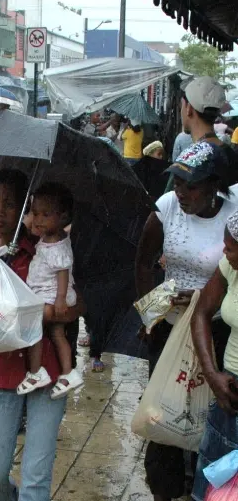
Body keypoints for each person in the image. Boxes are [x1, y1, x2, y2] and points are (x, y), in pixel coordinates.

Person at [0, 169, 83, 500]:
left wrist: (46, 310)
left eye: (10, 204)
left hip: (46, 371)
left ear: (25, 208)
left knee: (36, 479)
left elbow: (73, 306)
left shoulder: (46, 248)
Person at [135, 142, 237, 501]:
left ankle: (205, 488)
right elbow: (144, 263)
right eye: (176, 182)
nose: (179, 191)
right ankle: (164, 491)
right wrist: (150, 313)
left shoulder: (235, 214)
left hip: (217, 332)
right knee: (163, 414)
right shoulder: (166, 210)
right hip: (169, 330)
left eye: (189, 185)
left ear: (214, 186)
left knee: (210, 414)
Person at [18, 183, 84, 399]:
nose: (38, 220)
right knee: (57, 333)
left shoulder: (56, 243)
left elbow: (63, 272)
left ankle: (36, 371)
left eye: (45, 215)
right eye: (35, 213)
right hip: (48, 295)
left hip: (52, 296)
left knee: (34, 329)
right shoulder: (48, 238)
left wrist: (60, 298)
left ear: (63, 217)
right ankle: (68, 373)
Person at [190, 210, 238, 500]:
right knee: (213, 489)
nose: (224, 252)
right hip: (229, 395)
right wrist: (212, 375)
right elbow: (202, 314)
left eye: (230, 248)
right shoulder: (230, 267)